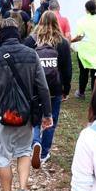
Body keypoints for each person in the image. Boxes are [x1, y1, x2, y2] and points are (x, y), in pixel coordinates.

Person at [0, 18, 52, 191]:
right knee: (24, 152)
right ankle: (22, 190)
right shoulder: (31, 54)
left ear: (1, 34)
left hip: (1, 115)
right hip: (26, 114)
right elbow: (43, 87)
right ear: (18, 32)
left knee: (3, 157)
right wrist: (47, 114)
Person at [23, 11, 72, 167]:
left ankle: (35, 142)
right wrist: (66, 89)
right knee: (51, 119)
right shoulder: (62, 43)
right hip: (55, 88)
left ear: (40, 22)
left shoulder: (31, 41)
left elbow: (24, 64)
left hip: (35, 87)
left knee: (35, 117)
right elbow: (67, 69)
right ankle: (44, 153)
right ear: (56, 23)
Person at [71, 0, 96, 98]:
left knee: (83, 73)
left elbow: (79, 36)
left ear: (86, 9)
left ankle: (81, 92)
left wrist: (70, 41)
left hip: (84, 51)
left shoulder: (82, 20)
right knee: (95, 74)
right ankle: (94, 95)